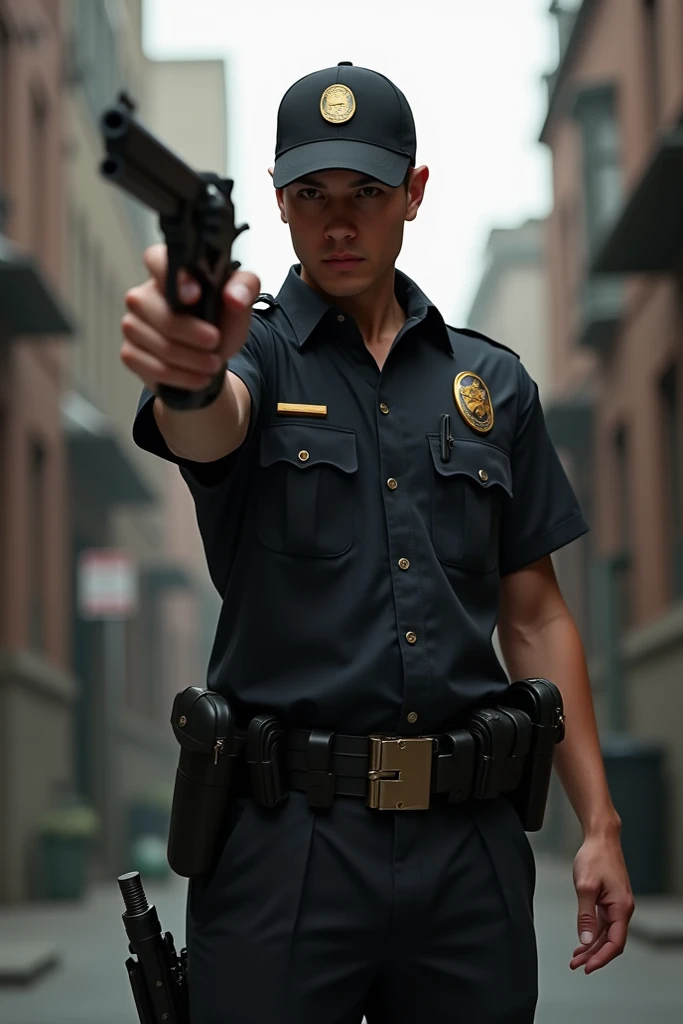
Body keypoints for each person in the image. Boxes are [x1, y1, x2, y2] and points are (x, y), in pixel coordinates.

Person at [121, 62, 634, 1024]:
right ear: (279, 204)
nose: (338, 222)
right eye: (312, 196)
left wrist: (599, 823)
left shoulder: (494, 384)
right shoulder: (255, 353)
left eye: (365, 192)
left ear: (415, 193)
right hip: (285, 844)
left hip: (467, 843)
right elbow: (208, 423)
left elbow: (534, 614)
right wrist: (189, 370)